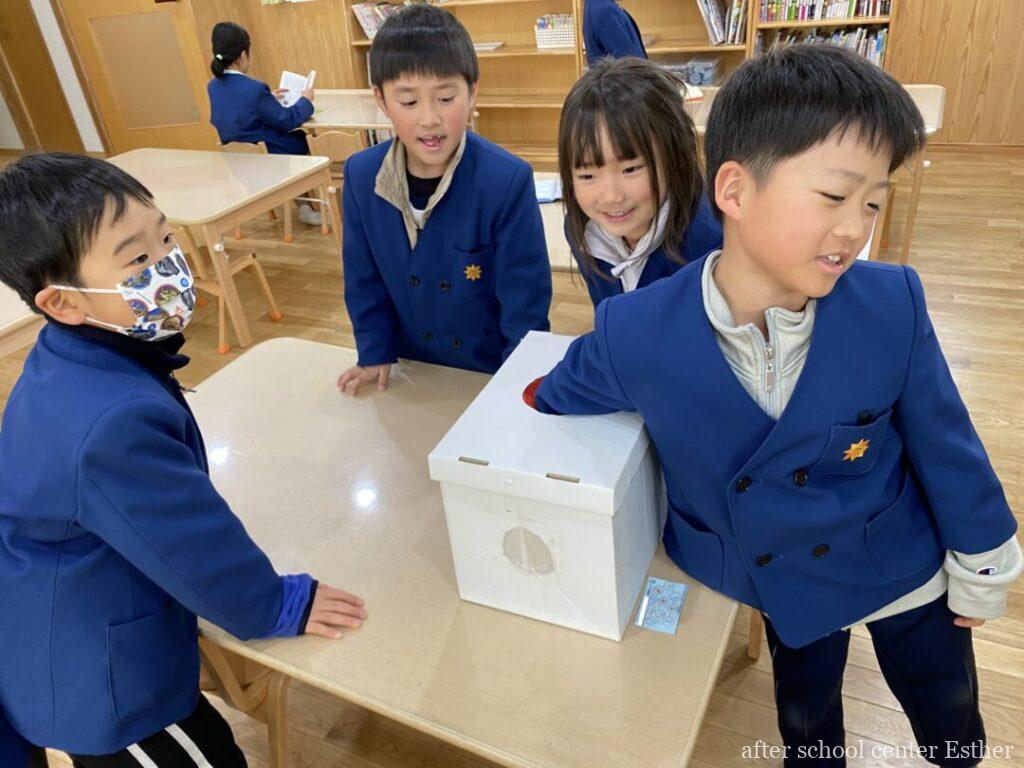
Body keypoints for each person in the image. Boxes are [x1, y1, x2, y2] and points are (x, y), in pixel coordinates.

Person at [525, 46, 1021, 766]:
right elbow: (566, 384)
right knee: (807, 726)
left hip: (899, 565)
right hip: (776, 572)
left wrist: (984, 564)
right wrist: (527, 397)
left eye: (872, 202)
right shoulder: (635, 330)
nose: (855, 228)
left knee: (948, 715)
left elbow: (949, 446)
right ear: (733, 189)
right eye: (833, 197)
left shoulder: (891, 302)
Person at [0, 154, 368, 766]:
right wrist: (276, 603)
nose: (168, 264)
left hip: (67, 627)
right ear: (63, 302)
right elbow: (193, 546)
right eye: (137, 259)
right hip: (109, 686)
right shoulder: (113, 423)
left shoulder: (73, 357)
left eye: (165, 238)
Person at [337, 4, 551, 394]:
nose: (429, 118)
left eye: (446, 97)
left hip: (485, 372)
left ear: (472, 93)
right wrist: (374, 351)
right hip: (410, 370)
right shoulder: (361, 175)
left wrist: (517, 387)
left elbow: (525, 304)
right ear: (381, 100)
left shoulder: (506, 180)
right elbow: (363, 279)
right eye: (409, 102)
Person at [558, 57, 721, 309]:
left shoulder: (712, 244)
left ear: (674, 157)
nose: (611, 196)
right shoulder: (581, 230)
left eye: (630, 169)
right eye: (587, 176)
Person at [207, 21, 321, 226]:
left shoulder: (213, 86)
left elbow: (239, 112)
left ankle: (302, 204)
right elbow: (287, 120)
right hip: (268, 154)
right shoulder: (254, 88)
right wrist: (306, 100)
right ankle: (307, 203)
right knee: (305, 138)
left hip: (238, 157)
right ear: (243, 55)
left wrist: (268, 99)